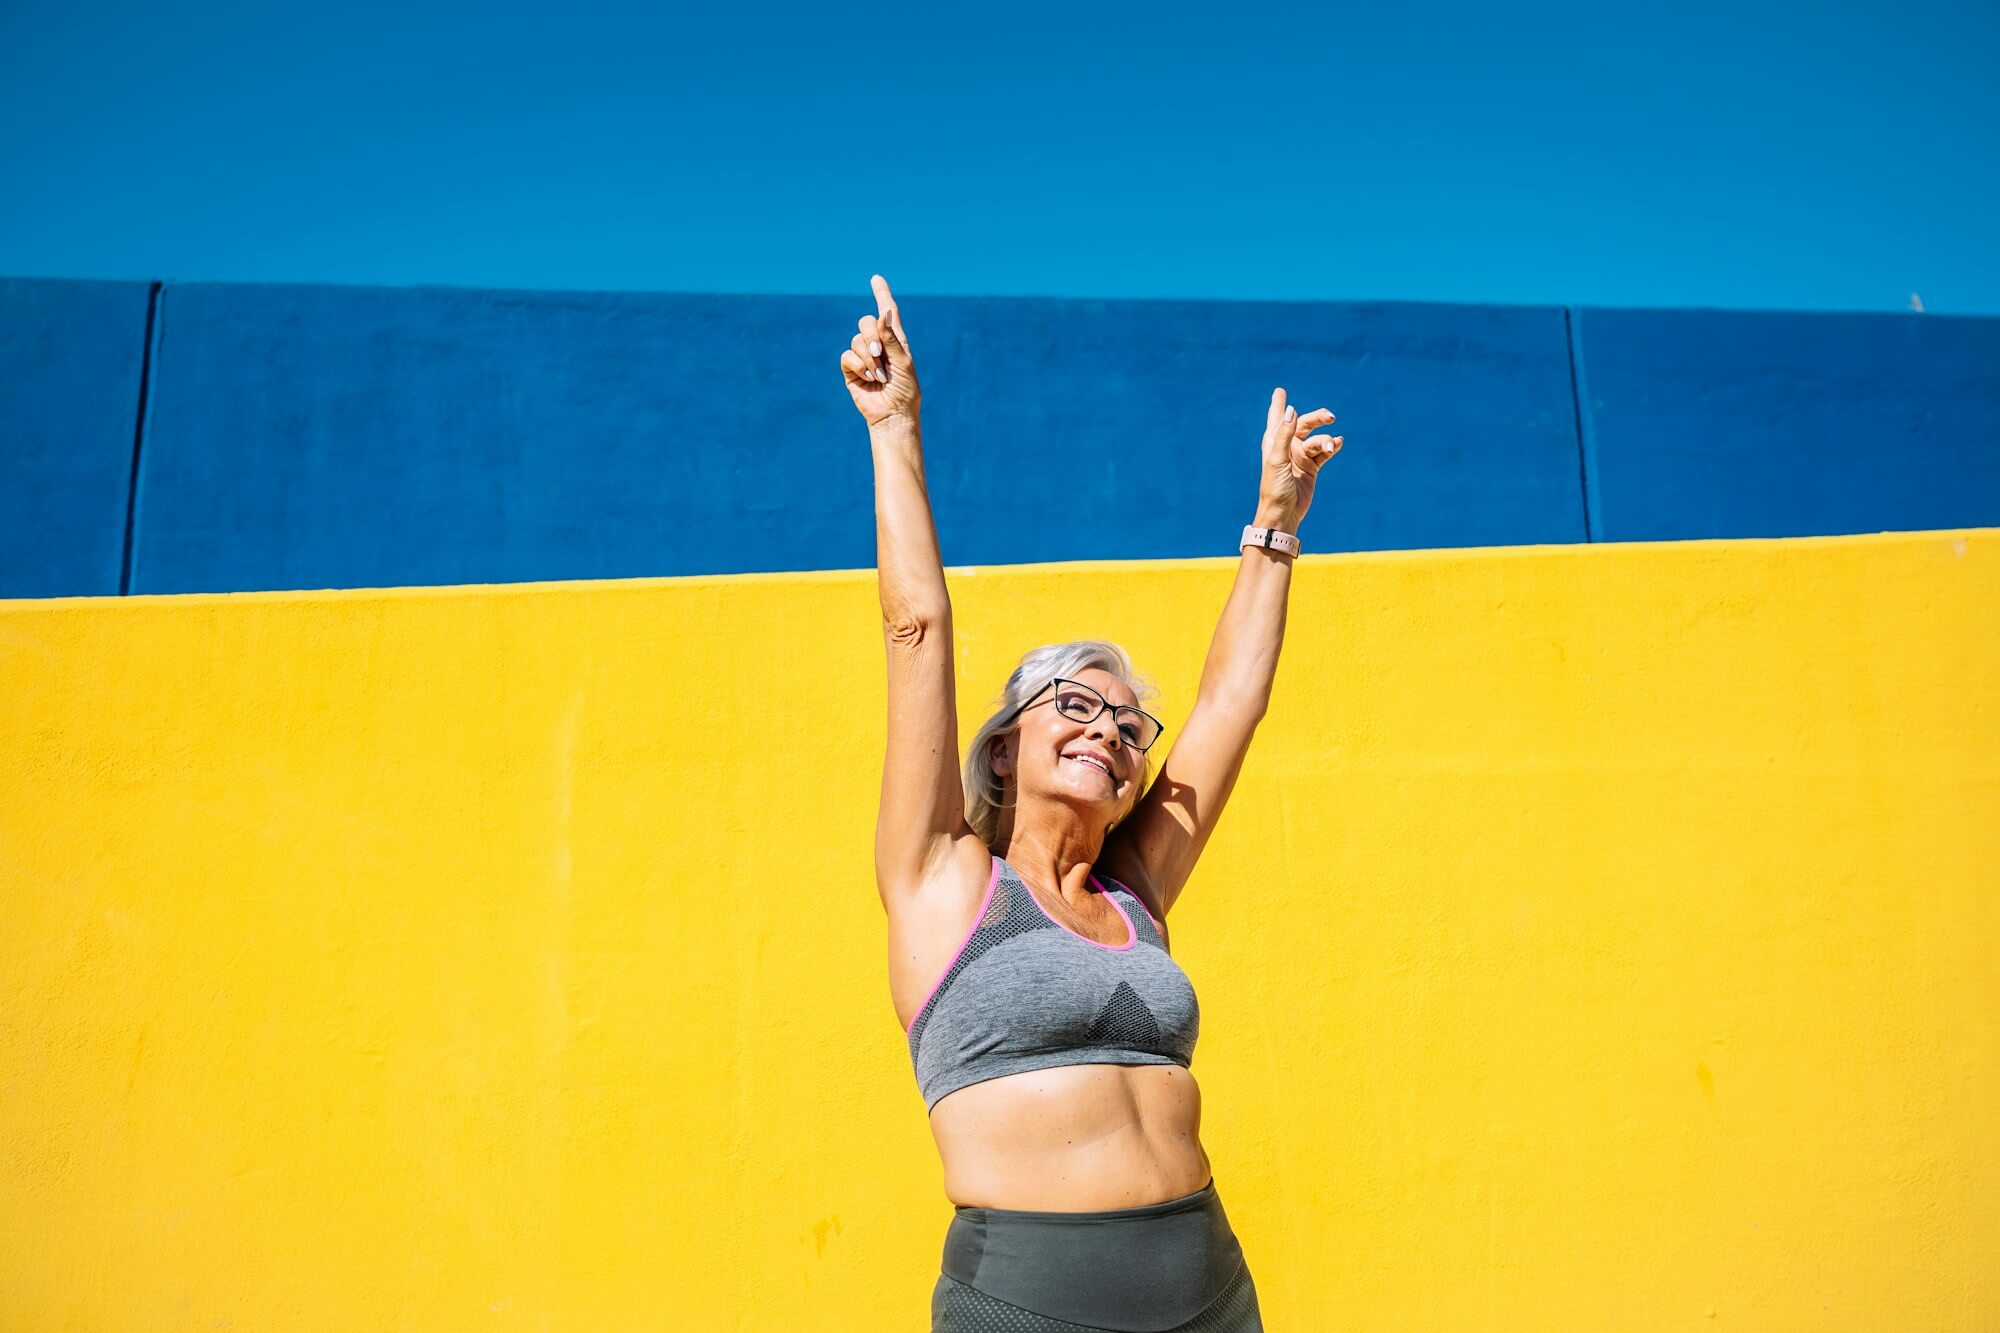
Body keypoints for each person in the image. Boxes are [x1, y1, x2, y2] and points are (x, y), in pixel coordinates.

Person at [848, 274, 1342, 1332]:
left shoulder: (1135, 889)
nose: (1108, 733)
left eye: (1126, 727)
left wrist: (1273, 525)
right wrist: (895, 428)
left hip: (1208, 1286)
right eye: (1073, 704)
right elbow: (915, 628)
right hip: (1029, 1302)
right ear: (1005, 737)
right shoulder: (941, 877)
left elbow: (1227, 706)